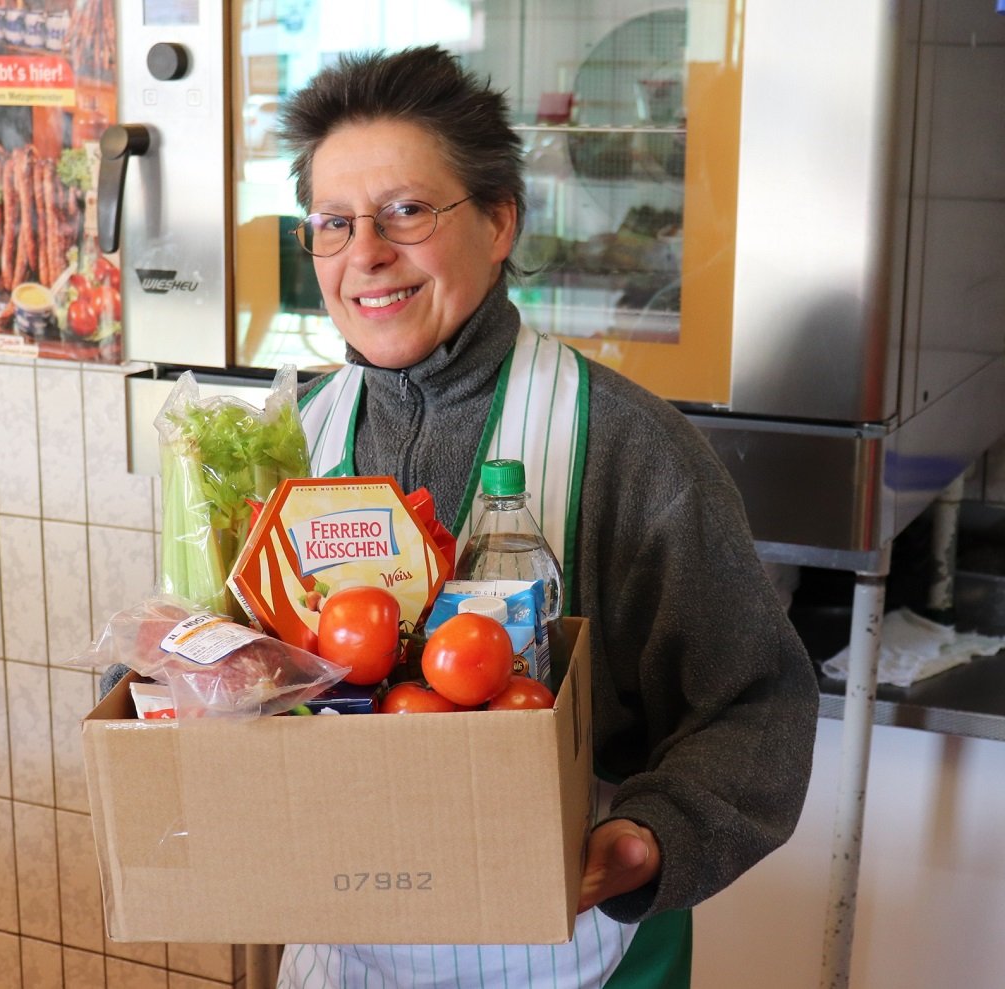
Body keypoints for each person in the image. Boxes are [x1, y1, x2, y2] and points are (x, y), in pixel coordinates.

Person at [272, 45, 820, 988]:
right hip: (338, 951)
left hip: (569, 954)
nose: (365, 253)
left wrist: (649, 839)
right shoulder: (289, 441)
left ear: (497, 221)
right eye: (334, 222)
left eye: (407, 210)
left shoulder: (629, 444)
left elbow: (753, 703)